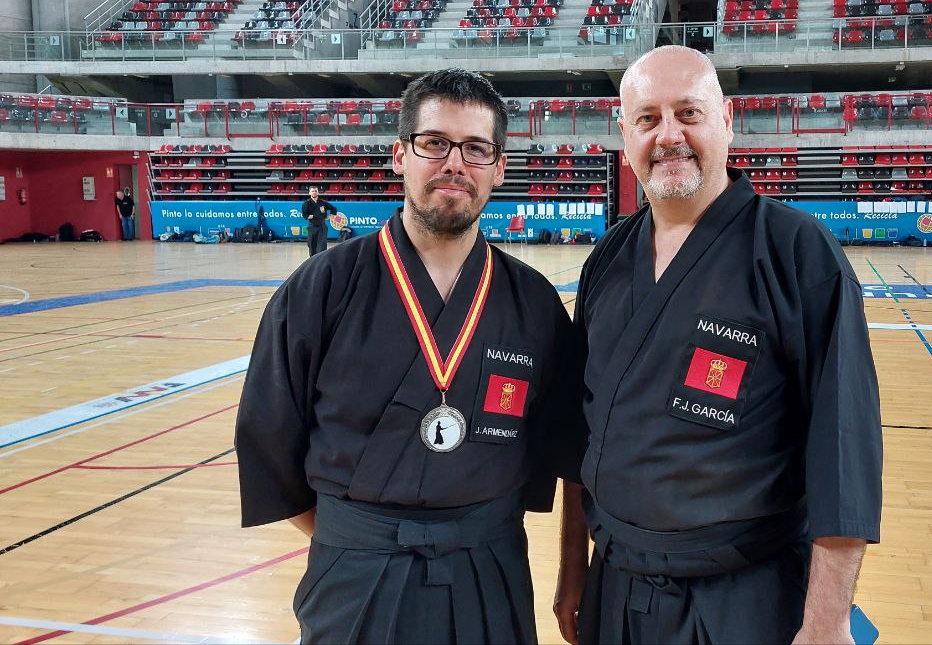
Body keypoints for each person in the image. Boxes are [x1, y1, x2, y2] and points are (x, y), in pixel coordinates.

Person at [236, 69, 585, 645]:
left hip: (489, 568)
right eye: (435, 143)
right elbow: (267, 436)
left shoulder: (534, 304)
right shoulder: (322, 287)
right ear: (401, 154)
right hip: (356, 573)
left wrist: (571, 569)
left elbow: (567, 447)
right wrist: (355, 536)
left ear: (499, 166)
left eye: (476, 148)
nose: (455, 163)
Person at [555, 46, 882, 645]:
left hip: (745, 599)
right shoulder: (607, 258)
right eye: (648, 119)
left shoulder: (795, 252)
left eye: (688, 113)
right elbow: (584, 434)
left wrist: (828, 621)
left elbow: (844, 450)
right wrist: (573, 567)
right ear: (623, 133)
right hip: (618, 590)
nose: (669, 136)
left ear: (727, 122)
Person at [302, 186, 338, 257]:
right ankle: (312, 259)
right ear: (309, 193)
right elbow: (304, 214)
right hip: (312, 226)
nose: (314, 192)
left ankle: (321, 260)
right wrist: (308, 216)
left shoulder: (323, 202)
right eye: (312, 191)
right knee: (311, 244)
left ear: (318, 192)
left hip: (322, 226)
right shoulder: (306, 203)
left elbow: (334, 209)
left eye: (315, 191)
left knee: (322, 245)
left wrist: (330, 216)